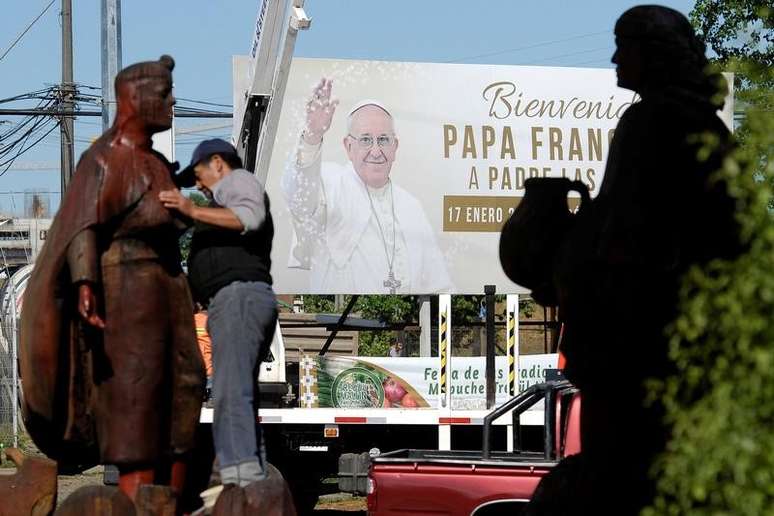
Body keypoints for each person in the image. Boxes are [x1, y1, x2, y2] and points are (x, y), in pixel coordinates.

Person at [524, 6, 741, 514]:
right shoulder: (707, 128)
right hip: (686, 353)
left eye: (625, 45)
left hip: (637, 351)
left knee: (616, 481)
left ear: (655, 54)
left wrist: (559, 260)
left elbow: (620, 240)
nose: (616, 56)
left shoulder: (652, 123)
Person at [20, 56, 205, 502]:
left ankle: (170, 503)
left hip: (169, 292)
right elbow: (82, 227)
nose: (173, 102)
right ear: (135, 98)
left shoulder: (157, 162)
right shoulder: (102, 160)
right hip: (128, 293)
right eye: (164, 94)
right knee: (136, 400)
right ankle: (135, 503)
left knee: (183, 390)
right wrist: (85, 284)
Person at [159, 138, 277, 489]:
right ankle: (249, 475)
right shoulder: (215, 211)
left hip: (240, 297)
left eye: (199, 175)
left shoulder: (237, 181)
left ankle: (241, 479)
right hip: (230, 302)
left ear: (217, 164)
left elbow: (250, 218)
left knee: (231, 390)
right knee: (237, 391)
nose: (197, 184)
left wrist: (191, 210)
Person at [282, 78, 453, 294]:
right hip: (342, 321)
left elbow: (440, 284)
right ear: (348, 146)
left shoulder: (411, 206)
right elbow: (298, 195)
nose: (375, 150)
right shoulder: (330, 183)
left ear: (395, 146)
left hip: (406, 322)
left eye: (383, 140)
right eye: (365, 140)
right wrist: (312, 136)